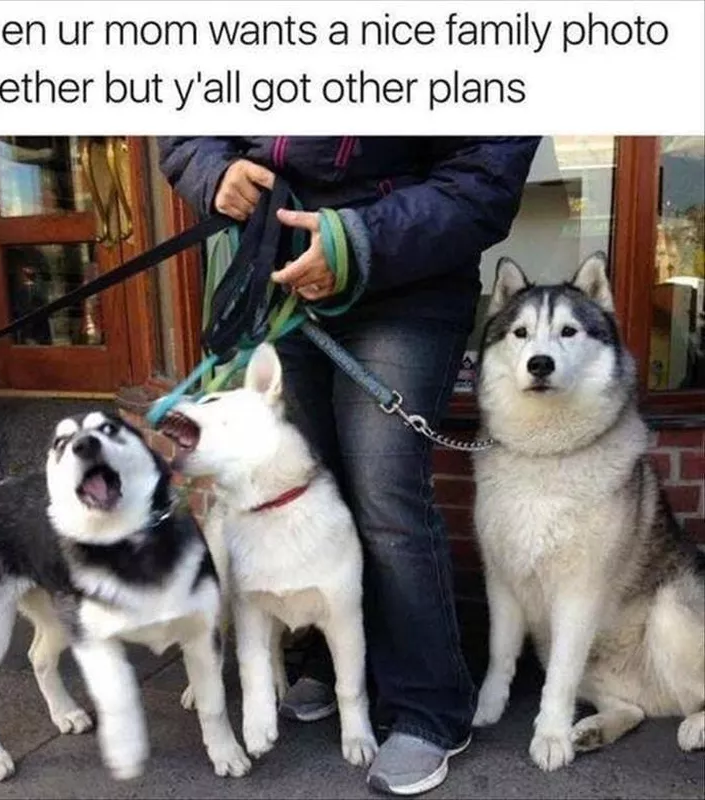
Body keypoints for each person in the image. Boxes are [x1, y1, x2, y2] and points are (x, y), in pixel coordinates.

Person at [158, 136, 540, 795]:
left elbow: (483, 173)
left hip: (407, 279)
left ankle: (428, 708)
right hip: (278, 270)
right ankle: (328, 659)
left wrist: (359, 238)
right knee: (306, 486)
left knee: (384, 490)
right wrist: (211, 169)